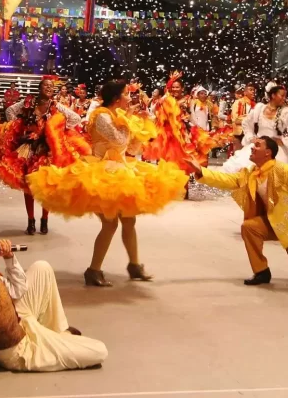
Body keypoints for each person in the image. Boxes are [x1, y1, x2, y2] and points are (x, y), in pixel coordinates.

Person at [27, 79, 185, 287]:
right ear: (116, 98)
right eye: (127, 94)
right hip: (101, 171)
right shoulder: (101, 115)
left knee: (129, 221)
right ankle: (93, 270)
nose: (130, 98)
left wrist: (140, 126)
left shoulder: (120, 115)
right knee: (110, 224)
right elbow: (118, 140)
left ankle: (134, 265)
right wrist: (132, 124)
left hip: (122, 170)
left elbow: (133, 149)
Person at [0, 217, 107, 393]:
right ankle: (55, 341)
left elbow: (17, 291)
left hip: (18, 320)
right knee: (99, 351)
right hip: (17, 349)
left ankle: (57, 332)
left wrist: (10, 258)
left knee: (42, 267)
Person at [188, 137, 288, 286]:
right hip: (270, 224)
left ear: (268, 152)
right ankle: (261, 271)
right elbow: (228, 180)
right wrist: (202, 172)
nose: (252, 148)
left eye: (257, 145)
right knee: (249, 227)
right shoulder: (250, 173)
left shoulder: (284, 170)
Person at [0, 75, 87, 235]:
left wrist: (57, 131)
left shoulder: (56, 106)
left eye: (51, 86)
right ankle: (31, 220)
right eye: (46, 86)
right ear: (39, 88)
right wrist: (18, 127)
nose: (49, 88)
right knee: (28, 186)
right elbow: (10, 111)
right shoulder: (29, 102)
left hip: (46, 150)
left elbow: (75, 118)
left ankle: (44, 220)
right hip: (28, 150)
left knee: (46, 187)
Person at [221, 84, 288, 174]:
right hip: (258, 146)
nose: (284, 98)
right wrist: (251, 138)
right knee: (251, 173)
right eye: (282, 95)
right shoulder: (259, 108)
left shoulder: (286, 112)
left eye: (285, 96)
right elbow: (246, 123)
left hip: (276, 150)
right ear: (273, 95)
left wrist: (285, 140)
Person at [230, 84, 256, 150]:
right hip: (239, 133)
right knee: (238, 155)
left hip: (250, 133)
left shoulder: (255, 105)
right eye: (251, 90)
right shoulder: (238, 102)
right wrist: (248, 119)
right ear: (245, 92)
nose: (253, 91)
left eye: (253, 90)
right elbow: (235, 119)